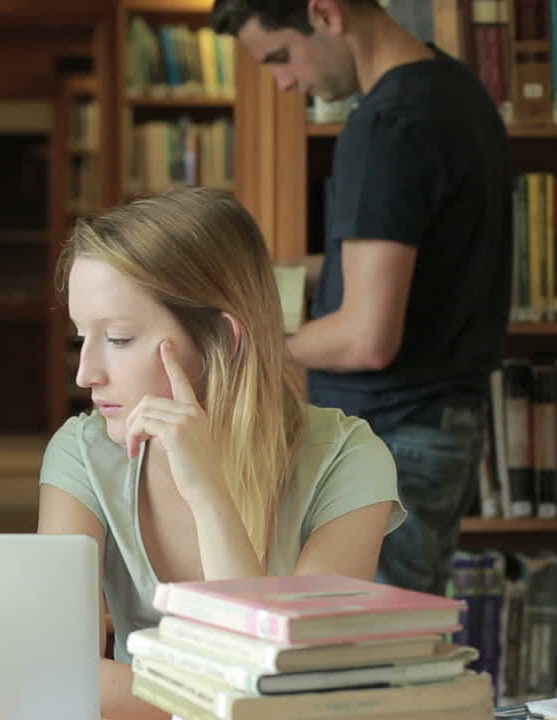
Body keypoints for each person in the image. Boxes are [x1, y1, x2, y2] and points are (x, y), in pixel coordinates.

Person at [37, 189, 406, 720]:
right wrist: (223, 694)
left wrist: (208, 493)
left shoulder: (349, 460)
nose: (85, 374)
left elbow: (286, 685)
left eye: (117, 339)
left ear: (221, 339)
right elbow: (57, 673)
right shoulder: (82, 453)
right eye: (81, 338)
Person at [209, 0, 512, 596]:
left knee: (356, 635)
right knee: (386, 627)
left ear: (326, 14)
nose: (284, 81)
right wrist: (280, 275)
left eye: (280, 56)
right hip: (434, 421)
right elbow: (404, 266)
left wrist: (245, 346)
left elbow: (366, 337)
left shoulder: (388, 125)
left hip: (394, 432)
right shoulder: (455, 91)